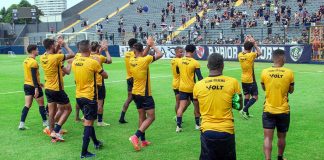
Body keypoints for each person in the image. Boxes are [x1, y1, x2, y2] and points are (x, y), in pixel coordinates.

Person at [194, 53, 243, 160]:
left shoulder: (198, 85)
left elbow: (197, 111)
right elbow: (239, 106)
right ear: (223, 65)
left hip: (207, 130)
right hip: (226, 130)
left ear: (207, 66)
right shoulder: (233, 82)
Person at [72, 40, 108, 158]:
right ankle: (84, 152)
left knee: (89, 120)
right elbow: (105, 75)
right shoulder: (93, 62)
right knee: (88, 123)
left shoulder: (75, 61)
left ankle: (96, 142)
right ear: (89, 49)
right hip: (90, 97)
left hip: (79, 96)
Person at [128, 40, 163, 151]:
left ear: (134, 51)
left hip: (135, 93)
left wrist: (147, 46)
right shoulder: (145, 60)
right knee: (151, 117)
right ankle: (135, 136)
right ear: (142, 50)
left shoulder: (131, 60)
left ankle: (142, 141)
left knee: (141, 117)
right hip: (145, 94)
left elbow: (142, 54)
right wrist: (152, 46)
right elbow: (160, 54)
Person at [261, 49, 294, 160]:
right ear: (281, 58)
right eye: (284, 57)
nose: (285, 59)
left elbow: (264, 88)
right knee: (282, 137)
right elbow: (291, 90)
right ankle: (280, 157)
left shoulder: (264, 72)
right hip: (283, 110)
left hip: (268, 109)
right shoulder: (289, 72)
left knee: (267, 138)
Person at [40, 37, 75, 142]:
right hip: (57, 89)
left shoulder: (43, 57)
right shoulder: (55, 58)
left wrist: (58, 45)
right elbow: (72, 54)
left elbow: (64, 70)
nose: (56, 46)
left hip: (48, 88)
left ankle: (52, 133)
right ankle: (56, 129)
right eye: (54, 45)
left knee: (52, 112)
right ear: (51, 46)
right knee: (68, 109)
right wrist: (65, 45)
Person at [119, 38, 151, 123]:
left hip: (128, 77)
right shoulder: (134, 54)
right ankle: (142, 116)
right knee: (133, 98)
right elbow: (143, 55)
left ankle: (122, 116)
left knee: (129, 98)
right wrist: (149, 45)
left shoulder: (127, 54)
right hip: (135, 78)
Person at [18, 44, 48, 130]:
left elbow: (31, 76)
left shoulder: (26, 60)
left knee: (27, 105)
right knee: (41, 104)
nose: (38, 51)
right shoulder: (33, 62)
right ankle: (45, 123)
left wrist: (39, 83)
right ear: (33, 51)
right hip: (34, 86)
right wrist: (36, 88)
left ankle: (21, 124)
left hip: (26, 85)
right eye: (37, 50)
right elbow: (33, 76)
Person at [176, 44, 203, 132]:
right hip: (192, 88)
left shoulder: (179, 61)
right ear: (194, 51)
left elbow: (177, 71)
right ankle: (197, 125)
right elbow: (199, 77)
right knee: (196, 107)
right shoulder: (195, 62)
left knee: (181, 107)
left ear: (185, 51)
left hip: (182, 87)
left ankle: (178, 127)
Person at [238, 35, 261, 119]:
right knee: (255, 97)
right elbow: (260, 52)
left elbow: (245, 47)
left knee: (247, 96)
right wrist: (254, 44)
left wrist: (246, 40)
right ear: (251, 48)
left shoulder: (240, 55)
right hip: (250, 79)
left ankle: (246, 114)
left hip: (243, 79)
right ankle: (244, 110)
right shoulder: (251, 55)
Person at [90, 40, 112, 126]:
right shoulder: (100, 58)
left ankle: (87, 116)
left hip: (89, 83)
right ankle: (100, 121)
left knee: (91, 100)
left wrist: (100, 49)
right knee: (100, 102)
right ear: (98, 48)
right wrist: (106, 50)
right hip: (99, 83)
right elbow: (109, 60)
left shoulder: (87, 56)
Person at [171, 47, 184, 116]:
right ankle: (178, 116)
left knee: (179, 102)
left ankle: (178, 115)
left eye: (182, 52)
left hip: (176, 83)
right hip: (179, 84)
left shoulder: (174, 60)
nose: (182, 53)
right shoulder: (178, 61)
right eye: (180, 52)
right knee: (180, 102)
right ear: (176, 53)